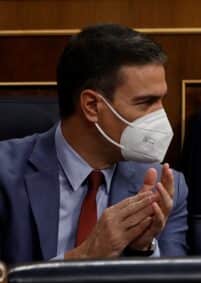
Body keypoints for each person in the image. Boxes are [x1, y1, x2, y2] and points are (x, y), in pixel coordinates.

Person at [0, 24, 189, 264]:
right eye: (146, 102)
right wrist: (84, 256)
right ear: (91, 106)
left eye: (161, 100)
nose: (160, 116)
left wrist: (143, 248)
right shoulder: (5, 176)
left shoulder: (164, 189)